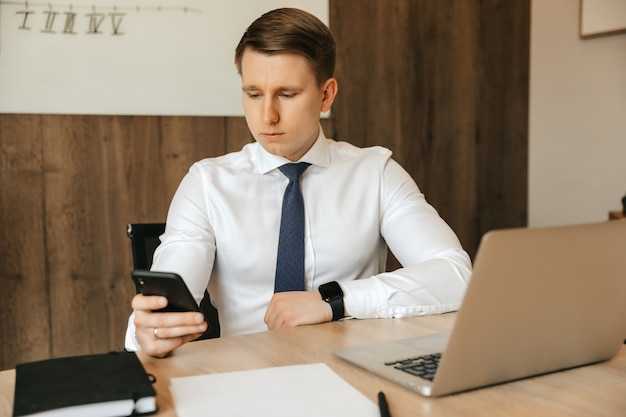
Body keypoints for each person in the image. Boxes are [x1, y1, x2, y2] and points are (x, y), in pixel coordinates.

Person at [125, 7, 472, 358]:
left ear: (326, 95)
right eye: (254, 93)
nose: (267, 116)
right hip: (247, 387)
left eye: (287, 94)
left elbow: (457, 276)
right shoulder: (207, 184)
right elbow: (165, 300)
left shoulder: (375, 173)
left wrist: (335, 301)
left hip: (351, 377)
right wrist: (150, 330)